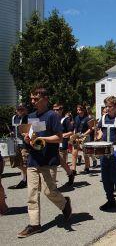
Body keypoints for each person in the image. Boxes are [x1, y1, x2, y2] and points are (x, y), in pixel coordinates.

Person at [18, 87, 72, 238]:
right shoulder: (30, 116)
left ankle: (64, 204)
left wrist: (42, 139)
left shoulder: (52, 116)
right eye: (32, 99)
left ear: (46, 99)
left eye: (36, 99)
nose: (32, 101)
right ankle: (34, 224)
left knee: (49, 191)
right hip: (33, 159)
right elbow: (30, 139)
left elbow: (59, 137)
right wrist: (27, 139)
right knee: (32, 194)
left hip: (49, 160)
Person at [53, 103, 74, 186]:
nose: (55, 111)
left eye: (57, 109)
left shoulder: (64, 120)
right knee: (54, 162)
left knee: (61, 162)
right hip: (53, 143)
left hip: (62, 143)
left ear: (61, 110)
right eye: (54, 109)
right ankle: (53, 182)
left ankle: (70, 174)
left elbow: (71, 131)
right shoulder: (52, 119)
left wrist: (64, 135)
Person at [9, 103, 29, 189]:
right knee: (16, 163)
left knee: (25, 163)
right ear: (16, 110)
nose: (20, 111)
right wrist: (12, 133)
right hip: (14, 142)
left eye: (22, 109)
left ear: (25, 109)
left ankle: (25, 179)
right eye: (18, 109)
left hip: (24, 144)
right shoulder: (14, 118)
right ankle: (26, 177)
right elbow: (13, 128)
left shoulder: (28, 118)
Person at [70, 105, 91, 175]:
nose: (78, 111)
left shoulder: (87, 118)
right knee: (74, 152)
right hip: (77, 136)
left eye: (79, 110)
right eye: (77, 110)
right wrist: (73, 135)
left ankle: (87, 167)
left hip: (85, 136)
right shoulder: (76, 118)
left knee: (86, 153)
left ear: (83, 110)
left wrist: (84, 135)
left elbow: (90, 129)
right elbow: (75, 128)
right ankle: (73, 169)